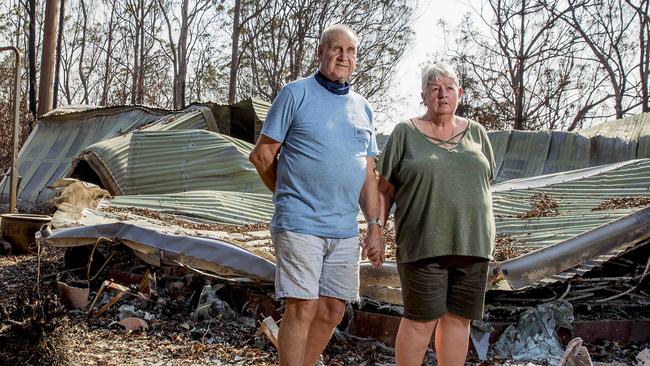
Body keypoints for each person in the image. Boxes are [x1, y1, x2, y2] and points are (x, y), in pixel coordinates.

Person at [248, 24, 384, 366]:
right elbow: (262, 156)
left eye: (350, 51)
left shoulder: (363, 108)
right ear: (319, 53)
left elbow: (368, 175)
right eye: (335, 49)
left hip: (343, 229)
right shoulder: (295, 94)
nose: (343, 56)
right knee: (303, 306)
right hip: (299, 223)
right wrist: (288, 195)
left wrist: (375, 225)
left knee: (333, 309)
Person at [376, 62, 495, 366]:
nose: (442, 94)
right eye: (434, 89)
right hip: (423, 243)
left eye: (449, 88)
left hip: (473, 243)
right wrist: (375, 229)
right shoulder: (405, 132)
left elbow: (486, 182)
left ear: (460, 93)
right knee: (420, 320)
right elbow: (384, 189)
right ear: (423, 96)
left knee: (459, 320)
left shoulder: (478, 133)